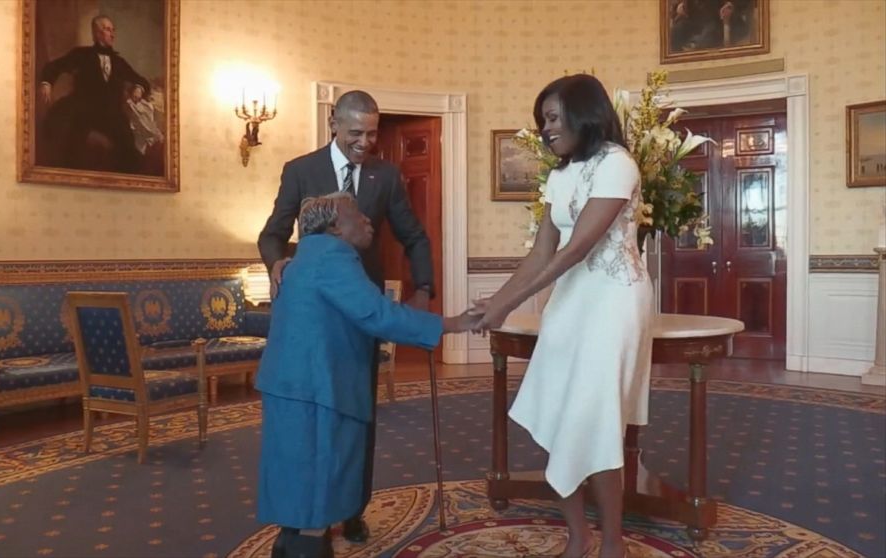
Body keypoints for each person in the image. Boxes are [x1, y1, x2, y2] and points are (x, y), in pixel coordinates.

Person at [473, 74, 653, 558]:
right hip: (570, 302)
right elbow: (541, 255)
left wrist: (506, 306)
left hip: (615, 300)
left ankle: (612, 542)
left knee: (594, 419)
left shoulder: (618, 163)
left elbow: (578, 249)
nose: (546, 129)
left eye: (552, 118)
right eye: (543, 121)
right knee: (557, 412)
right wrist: (494, 300)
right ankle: (579, 535)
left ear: (582, 113)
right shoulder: (558, 176)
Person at [256, 193, 476, 558]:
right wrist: (451, 324)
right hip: (319, 391)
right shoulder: (332, 259)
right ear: (335, 227)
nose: (368, 220)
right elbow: (379, 316)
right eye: (358, 214)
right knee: (317, 497)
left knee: (295, 494)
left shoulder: (298, 261)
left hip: (288, 387)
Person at [257, 90, 434, 543]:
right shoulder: (301, 170)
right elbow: (273, 232)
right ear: (334, 123)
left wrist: (424, 289)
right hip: (315, 316)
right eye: (356, 132)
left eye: (372, 133)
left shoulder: (386, 176)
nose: (365, 142)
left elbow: (413, 235)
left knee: (358, 412)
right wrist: (277, 261)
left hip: (360, 312)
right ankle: (298, 516)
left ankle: (351, 506)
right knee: (308, 420)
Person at [38, 14, 152, 174]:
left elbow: (140, 79)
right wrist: (47, 83)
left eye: (113, 30)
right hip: (83, 109)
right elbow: (54, 66)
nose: (112, 34)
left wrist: (139, 87)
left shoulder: (119, 62)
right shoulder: (81, 54)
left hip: (112, 113)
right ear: (97, 33)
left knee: (127, 146)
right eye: (107, 29)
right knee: (68, 139)